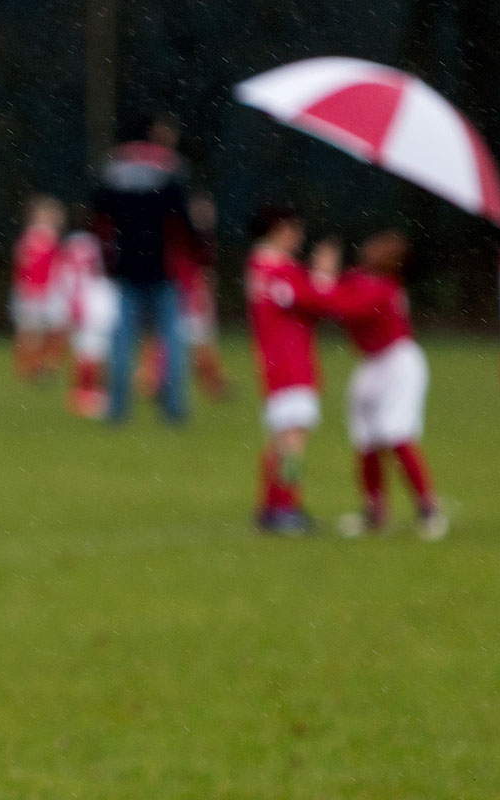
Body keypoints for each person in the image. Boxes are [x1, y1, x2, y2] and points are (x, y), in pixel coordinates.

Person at [320, 231, 445, 540]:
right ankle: (375, 512)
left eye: (384, 249)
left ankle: (429, 508)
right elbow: (334, 296)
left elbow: (346, 306)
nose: (373, 249)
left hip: (398, 362)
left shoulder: (386, 287)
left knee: (398, 434)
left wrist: (322, 278)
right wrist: (324, 276)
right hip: (373, 363)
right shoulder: (360, 277)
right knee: (366, 439)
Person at [92, 115, 199, 425]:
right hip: (162, 267)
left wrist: (109, 259)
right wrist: (195, 253)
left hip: (126, 266)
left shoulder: (115, 166)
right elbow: (183, 221)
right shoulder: (169, 167)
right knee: (171, 340)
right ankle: (174, 409)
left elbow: (99, 216)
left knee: (122, 340)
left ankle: (117, 409)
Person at [245, 205, 338, 533]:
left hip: (273, 361)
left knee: (279, 438)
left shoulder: (258, 266)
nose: (299, 237)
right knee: (293, 439)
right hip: (292, 362)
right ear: (281, 229)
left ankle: (271, 505)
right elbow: (319, 301)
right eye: (295, 229)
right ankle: (286, 506)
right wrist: (324, 274)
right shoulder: (280, 270)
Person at [54, 210, 118, 417]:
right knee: (98, 351)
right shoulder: (96, 243)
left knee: (87, 350)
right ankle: (88, 394)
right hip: (99, 300)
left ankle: (86, 393)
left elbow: (66, 276)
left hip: (82, 301)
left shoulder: (69, 245)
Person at [172, 193, 231, 402]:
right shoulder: (191, 237)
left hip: (194, 292)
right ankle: (210, 382)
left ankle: (211, 381)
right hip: (189, 294)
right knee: (197, 339)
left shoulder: (202, 238)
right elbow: (189, 268)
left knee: (198, 339)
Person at [10, 195, 68, 382]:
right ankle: (29, 367)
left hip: (49, 292)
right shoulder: (32, 239)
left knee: (52, 329)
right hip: (33, 292)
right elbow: (26, 267)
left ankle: (45, 365)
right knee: (30, 330)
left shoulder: (52, 240)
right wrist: (29, 288)